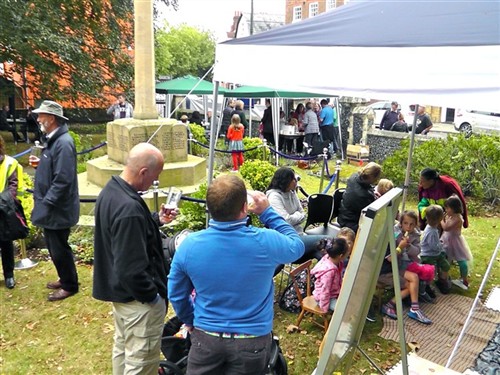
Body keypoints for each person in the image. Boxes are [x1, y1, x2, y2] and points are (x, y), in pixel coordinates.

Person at [168, 174, 304, 375]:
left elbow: (177, 294)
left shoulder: (189, 245)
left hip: (206, 336)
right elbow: (297, 245)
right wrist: (267, 212)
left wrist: (191, 321)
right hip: (252, 340)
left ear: (210, 207)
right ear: (244, 208)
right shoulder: (265, 241)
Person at [93, 142, 176, 375]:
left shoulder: (112, 191)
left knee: (123, 349)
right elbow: (130, 268)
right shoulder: (128, 208)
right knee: (141, 362)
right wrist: (152, 297)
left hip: (121, 296)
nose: (154, 182)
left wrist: (155, 219)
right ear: (143, 172)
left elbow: (124, 234)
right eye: (155, 177)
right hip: (138, 302)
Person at [30, 100, 80, 301]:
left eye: (41, 115)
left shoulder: (63, 143)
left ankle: (70, 285)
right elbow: (56, 170)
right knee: (54, 246)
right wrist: (41, 164)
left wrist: (46, 203)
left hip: (57, 209)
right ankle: (65, 277)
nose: (38, 119)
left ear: (51, 119)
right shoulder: (53, 140)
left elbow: (63, 180)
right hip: (51, 207)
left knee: (59, 248)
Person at [266, 167, 327, 263]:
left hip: (299, 235)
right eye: (293, 179)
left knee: (322, 253)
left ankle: (326, 276)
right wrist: (297, 216)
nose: (296, 181)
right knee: (326, 241)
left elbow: (303, 213)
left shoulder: (292, 192)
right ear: (285, 181)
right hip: (286, 241)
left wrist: (294, 216)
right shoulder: (274, 197)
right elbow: (285, 221)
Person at [395, 211, 436, 303]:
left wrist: (409, 246)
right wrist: (400, 245)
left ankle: (422, 292)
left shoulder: (415, 235)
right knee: (415, 276)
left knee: (425, 272)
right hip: (399, 264)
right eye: (405, 223)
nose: (408, 227)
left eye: (411, 224)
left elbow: (417, 250)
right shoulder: (396, 233)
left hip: (411, 262)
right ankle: (415, 296)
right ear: (401, 223)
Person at [0, 135, 24, 289]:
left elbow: (13, 187)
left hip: (3, 209)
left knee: (5, 243)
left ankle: (9, 275)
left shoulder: (10, 163)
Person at [338, 162, 382, 233]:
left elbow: (366, 188)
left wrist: (372, 192)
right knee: (376, 230)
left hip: (344, 215)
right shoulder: (363, 195)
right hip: (350, 222)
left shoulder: (354, 177)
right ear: (373, 177)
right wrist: (374, 197)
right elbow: (369, 212)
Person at [441, 196, 473, 290]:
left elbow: (446, 227)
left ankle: (464, 279)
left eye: (448, 208)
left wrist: (440, 220)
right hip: (447, 239)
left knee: (461, 260)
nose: (446, 210)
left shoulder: (457, 218)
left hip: (455, 241)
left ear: (454, 208)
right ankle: (444, 277)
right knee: (446, 258)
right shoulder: (450, 215)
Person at [420, 205, 451, 294]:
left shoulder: (433, 228)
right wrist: (441, 246)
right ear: (440, 219)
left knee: (446, 266)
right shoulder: (431, 231)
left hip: (435, 253)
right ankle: (427, 286)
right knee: (431, 272)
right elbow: (433, 246)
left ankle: (442, 281)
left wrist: (439, 246)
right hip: (428, 255)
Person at [311, 238, 349, 313]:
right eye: (347, 252)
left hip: (333, 293)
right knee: (343, 310)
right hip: (324, 299)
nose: (349, 253)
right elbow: (325, 291)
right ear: (341, 256)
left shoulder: (332, 259)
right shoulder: (329, 272)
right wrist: (324, 308)